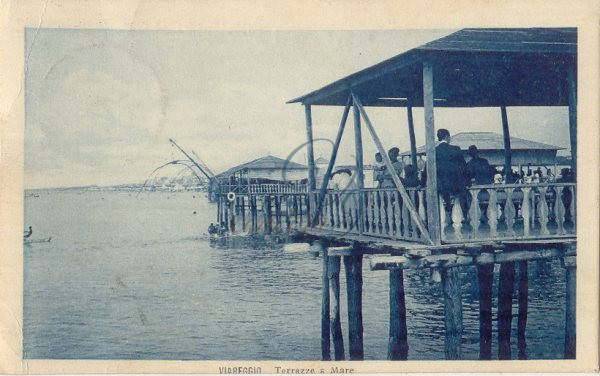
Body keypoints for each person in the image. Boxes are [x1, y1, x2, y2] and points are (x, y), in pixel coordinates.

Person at [435, 129, 468, 210]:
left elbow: (427, 170)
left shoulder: (434, 151)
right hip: (456, 184)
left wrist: (422, 183)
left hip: (441, 185)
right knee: (460, 202)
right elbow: (464, 167)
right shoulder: (456, 149)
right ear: (447, 137)